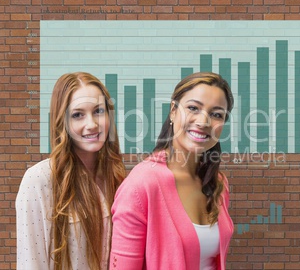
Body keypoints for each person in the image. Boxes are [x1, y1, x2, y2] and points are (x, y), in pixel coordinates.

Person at [109, 72, 234, 270]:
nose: (203, 122)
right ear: (173, 111)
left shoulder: (218, 183)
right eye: (193, 108)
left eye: (216, 114)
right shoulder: (141, 184)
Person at [16, 72, 126, 270]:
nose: (91, 124)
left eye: (98, 111)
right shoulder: (39, 180)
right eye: (78, 115)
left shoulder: (117, 177)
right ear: (62, 123)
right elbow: (31, 263)